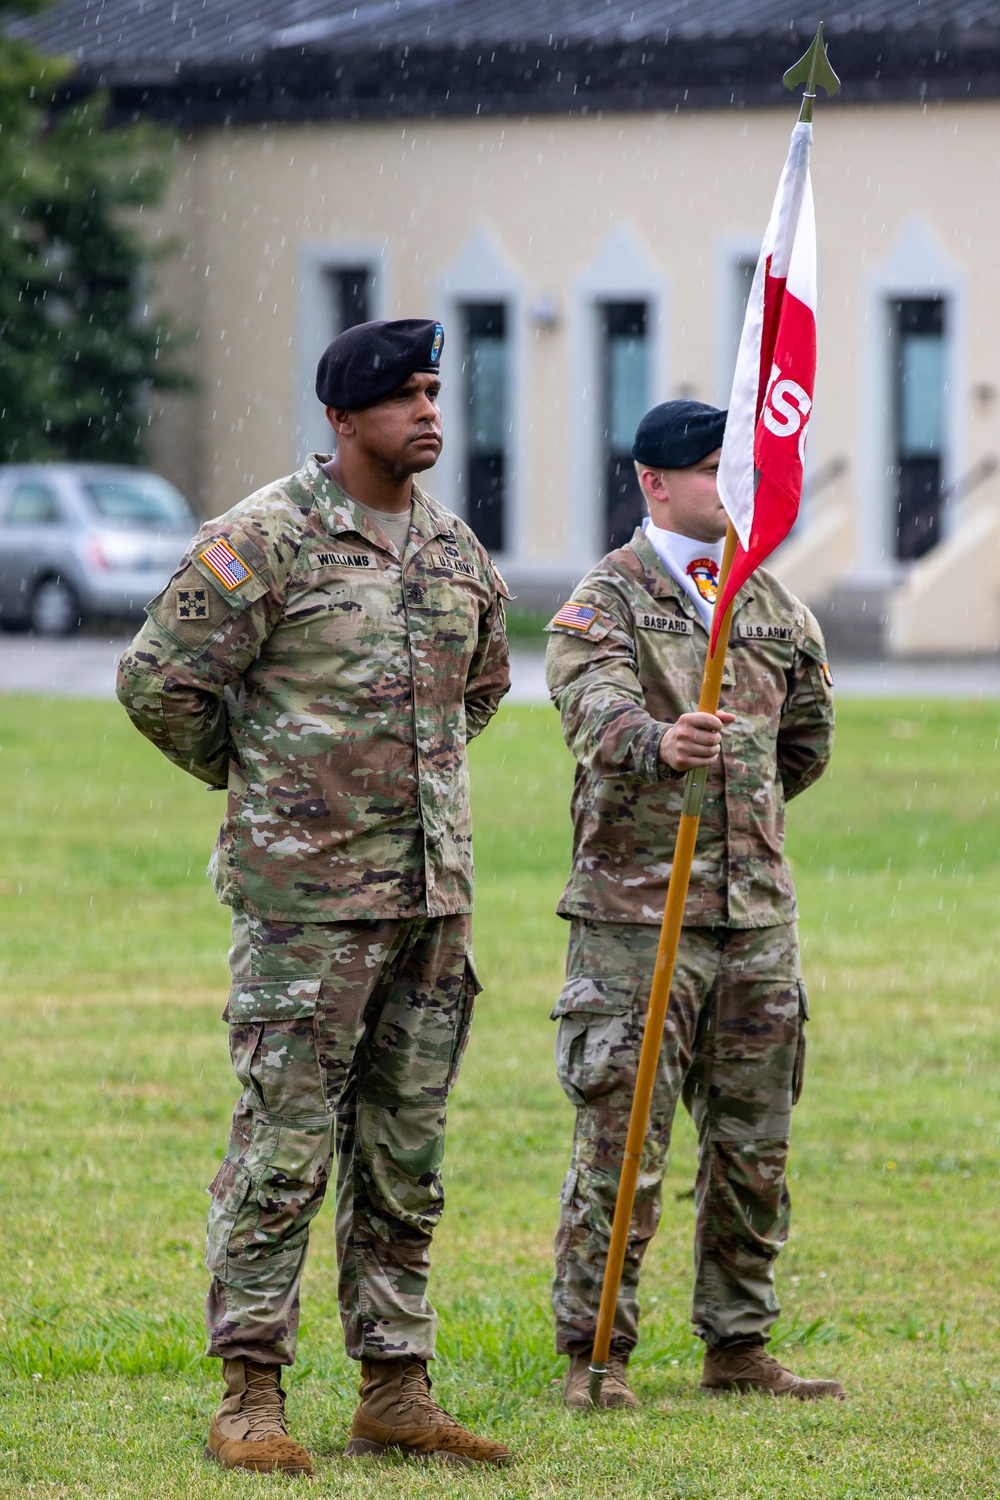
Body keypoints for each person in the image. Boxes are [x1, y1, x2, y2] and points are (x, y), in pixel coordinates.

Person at [117, 318, 513, 1472]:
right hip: (303, 912)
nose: (427, 413)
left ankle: (395, 1388)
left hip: (431, 905)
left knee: (405, 1155)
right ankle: (250, 1392)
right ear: (342, 420)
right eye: (401, 398)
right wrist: (275, 786)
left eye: (435, 392)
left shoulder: (451, 551)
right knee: (283, 1151)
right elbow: (158, 683)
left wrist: (397, 781)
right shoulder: (267, 539)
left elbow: (476, 691)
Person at [544, 399, 842, 1410]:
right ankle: (597, 1357)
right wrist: (656, 742)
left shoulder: (766, 601)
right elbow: (589, 706)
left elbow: (804, 739)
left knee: (754, 1145)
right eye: (717, 468)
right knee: (624, 1145)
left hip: (754, 917)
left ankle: (739, 1344)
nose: (734, 487)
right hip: (636, 920)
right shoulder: (606, 600)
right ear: (655, 482)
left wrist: (739, 826)